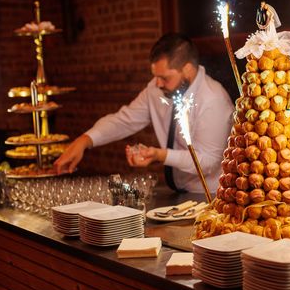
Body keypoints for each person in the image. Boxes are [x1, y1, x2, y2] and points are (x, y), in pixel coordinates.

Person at [54, 33, 234, 193]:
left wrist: (159, 155)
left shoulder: (213, 99)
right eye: (155, 76)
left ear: (187, 69)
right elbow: (124, 120)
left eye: (164, 77)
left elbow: (208, 161)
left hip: (209, 195)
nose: (158, 84)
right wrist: (85, 140)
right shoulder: (156, 90)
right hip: (178, 191)